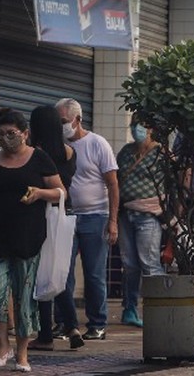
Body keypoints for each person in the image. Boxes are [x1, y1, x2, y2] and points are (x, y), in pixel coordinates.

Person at [0, 110, 66, 372]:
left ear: (25, 133)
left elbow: (60, 192)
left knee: (24, 298)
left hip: (28, 237)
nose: (7, 139)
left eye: (12, 134)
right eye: (1, 134)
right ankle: (2, 345)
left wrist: (40, 193)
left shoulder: (39, 158)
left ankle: (22, 353)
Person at [53, 98, 119, 341]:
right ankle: (65, 323)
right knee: (63, 273)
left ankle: (98, 323)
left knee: (94, 274)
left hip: (95, 217)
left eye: (63, 121)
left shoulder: (97, 144)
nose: (61, 126)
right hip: (66, 215)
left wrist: (113, 221)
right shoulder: (57, 146)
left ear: (77, 119)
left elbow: (113, 184)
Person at [26, 105, 81, 351]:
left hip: (41, 214)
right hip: (65, 215)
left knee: (42, 274)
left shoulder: (36, 154)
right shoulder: (70, 152)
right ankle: (72, 326)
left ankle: (46, 334)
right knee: (59, 273)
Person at [115, 115, 168, 329]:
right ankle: (129, 309)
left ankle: (161, 310)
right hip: (125, 214)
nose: (136, 129)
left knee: (150, 262)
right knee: (129, 265)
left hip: (149, 215)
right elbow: (116, 179)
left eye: (141, 125)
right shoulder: (126, 152)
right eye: (134, 125)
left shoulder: (161, 153)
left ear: (151, 129)